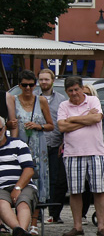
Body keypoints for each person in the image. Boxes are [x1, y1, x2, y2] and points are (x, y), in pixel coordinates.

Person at [56, 76, 104, 236]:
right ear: (66, 92)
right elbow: (62, 126)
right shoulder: (63, 105)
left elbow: (96, 118)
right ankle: (77, 227)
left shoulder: (93, 100)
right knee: (75, 191)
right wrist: (84, 119)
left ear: (81, 88)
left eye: (76, 89)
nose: (74, 93)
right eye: (70, 91)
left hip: (96, 152)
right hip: (72, 153)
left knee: (99, 190)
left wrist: (72, 119)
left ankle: (101, 227)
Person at [8, 70, 53, 234]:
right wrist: (9, 124)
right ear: (19, 85)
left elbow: (51, 125)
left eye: (31, 85)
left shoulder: (41, 101)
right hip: (20, 146)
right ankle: (19, 222)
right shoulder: (13, 100)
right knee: (19, 180)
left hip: (38, 147)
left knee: (38, 181)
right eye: (24, 85)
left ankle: (34, 223)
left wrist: (38, 126)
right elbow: (8, 124)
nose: (28, 88)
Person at [0, 116, 38, 236]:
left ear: (4, 129)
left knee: (23, 201)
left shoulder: (18, 144)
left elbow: (29, 170)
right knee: (1, 202)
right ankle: (19, 233)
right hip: (1, 188)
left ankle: (18, 233)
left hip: (23, 184)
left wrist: (18, 187)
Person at [38, 69, 67, 224]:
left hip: (56, 144)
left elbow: (63, 121)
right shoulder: (34, 98)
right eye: (41, 79)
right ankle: (38, 212)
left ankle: (54, 213)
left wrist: (63, 141)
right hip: (38, 144)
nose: (44, 82)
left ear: (52, 81)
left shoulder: (62, 99)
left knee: (56, 180)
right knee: (39, 178)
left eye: (46, 79)